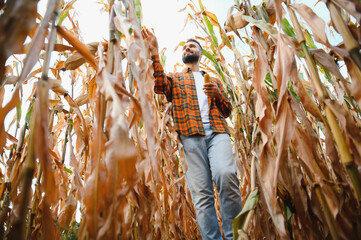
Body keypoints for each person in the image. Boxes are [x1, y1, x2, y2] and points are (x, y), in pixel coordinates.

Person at [141, 28, 242, 240]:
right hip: (189, 137)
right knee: (202, 195)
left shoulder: (212, 79)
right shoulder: (175, 78)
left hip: (217, 133)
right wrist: (154, 52)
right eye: (186, 46)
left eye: (192, 46)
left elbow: (227, 110)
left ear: (200, 53)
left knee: (226, 175)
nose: (188, 48)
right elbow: (159, 85)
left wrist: (219, 95)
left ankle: (236, 237)